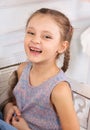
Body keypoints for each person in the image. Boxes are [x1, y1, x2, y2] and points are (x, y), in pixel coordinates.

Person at [2, 8, 80, 130]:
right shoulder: (23, 70)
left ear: (61, 46)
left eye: (47, 36)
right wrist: (9, 107)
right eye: (31, 33)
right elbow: (21, 104)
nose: (35, 40)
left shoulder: (59, 89)